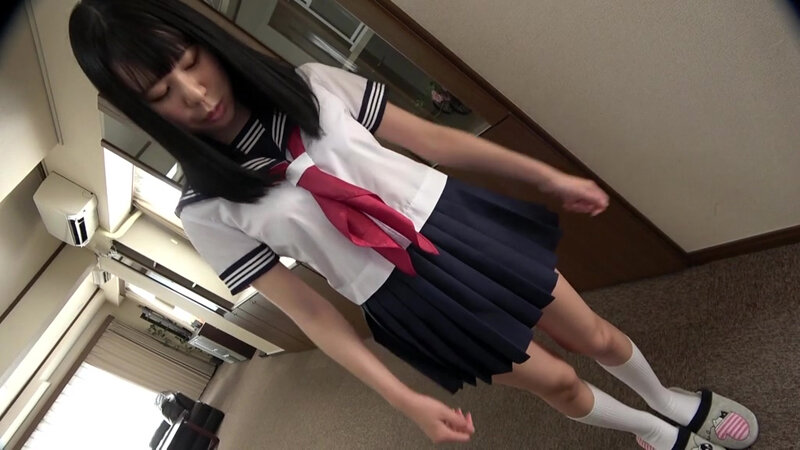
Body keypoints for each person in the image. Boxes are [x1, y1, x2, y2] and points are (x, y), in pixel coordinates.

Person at [68, 1, 758, 448]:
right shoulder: (205, 210)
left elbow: (431, 140)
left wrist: (542, 176)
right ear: (143, 110)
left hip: (459, 224)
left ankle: (666, 398)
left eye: (190, 62)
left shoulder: (311, 83)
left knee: (595, 335)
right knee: (559, 383)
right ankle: (654, 434)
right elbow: (312, 313)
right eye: (162, 92)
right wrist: (402, 399)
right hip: (401, 294)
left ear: (207, 43)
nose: (195, 94)